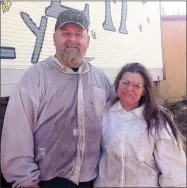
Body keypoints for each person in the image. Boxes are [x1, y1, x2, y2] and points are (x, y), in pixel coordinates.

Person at [1, 9, 114, 188]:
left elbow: (117, 122)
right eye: (66, 33)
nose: (72, 40)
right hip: (48, 181)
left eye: (79, 34)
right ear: (55, 38)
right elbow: (16, 133)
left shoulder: (100, 79)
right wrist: (25, 181)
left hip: (91, 179)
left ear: (87, 40)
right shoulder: (35, 77)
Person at [94, 63, 186, 187]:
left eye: (136, 86)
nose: (129, 88)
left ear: (144, 91)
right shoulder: (103, 113)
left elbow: (174, 169)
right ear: (117, 84)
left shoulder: (157, 121)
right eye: (125, 82)